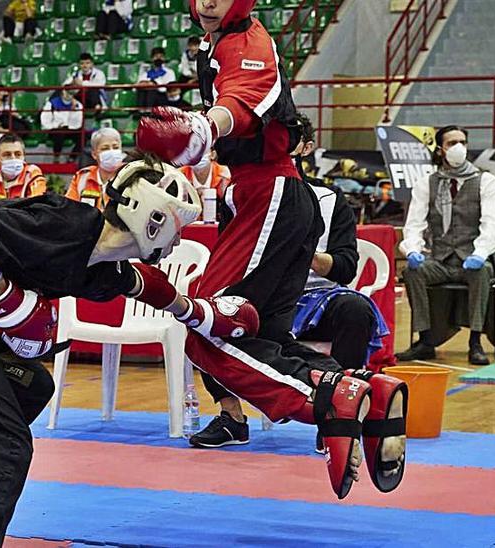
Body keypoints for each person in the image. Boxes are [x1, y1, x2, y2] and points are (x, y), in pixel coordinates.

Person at [0, 154, 252, 547]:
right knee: (3, 436)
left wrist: (201, 315)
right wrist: (4, 299)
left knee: (30, 386)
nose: (178, 240)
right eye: (177, 227)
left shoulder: (103, 265)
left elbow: (148, 285)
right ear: (154, 218)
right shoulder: (64, 223)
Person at [135, 0, 408, 500]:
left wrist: (203, 127)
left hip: (271, 192)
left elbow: (239, 100)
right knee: (267, 335)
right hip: (259, 193)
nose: (209, 2)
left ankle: (330, 396)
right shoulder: (216, 43)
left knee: (209, 332)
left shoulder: (248, 42)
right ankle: (361, 385)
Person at [190, 114, 387, 449]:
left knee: (355, 309)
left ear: (304, 147)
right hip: (265, 294)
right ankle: (231, 416)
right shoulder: (244, 192)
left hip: (316, 297)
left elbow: (345, 268)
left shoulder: (326, 199)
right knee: (211, 312)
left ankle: (342, 403)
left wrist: (302, 250)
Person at [396, 125, 495, 366]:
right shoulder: (427, 183)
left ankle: (475, 342)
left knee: (482, 272)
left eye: (462, 142)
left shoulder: (485, 181)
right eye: (452, 143)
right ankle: (425, 340)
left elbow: (491, 225)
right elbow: (414, 224)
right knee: (413, 272)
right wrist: (412, 249)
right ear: (441, 149)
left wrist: (480, 253)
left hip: (470, 259)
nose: (458, 148)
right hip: (440, 260)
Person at [64, 127, 125, 209]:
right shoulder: (82, 177)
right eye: (105, 148)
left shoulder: (132, 176)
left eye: (115, 147)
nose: (111, 152)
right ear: (94, 154)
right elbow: (69, 209)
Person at [40, 89, 85, 163]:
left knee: (83, 137)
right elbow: (45, 119)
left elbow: (78, 122)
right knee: (59, 133)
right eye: (66, 92)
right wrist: (55, 126)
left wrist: (74, 111)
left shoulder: (78, 105)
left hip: (70, 128)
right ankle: (56, 158)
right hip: (55, 128)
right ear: (62, 93)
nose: (68, 94)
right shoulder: (52, 104)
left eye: (70, 93)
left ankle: (72, 158)